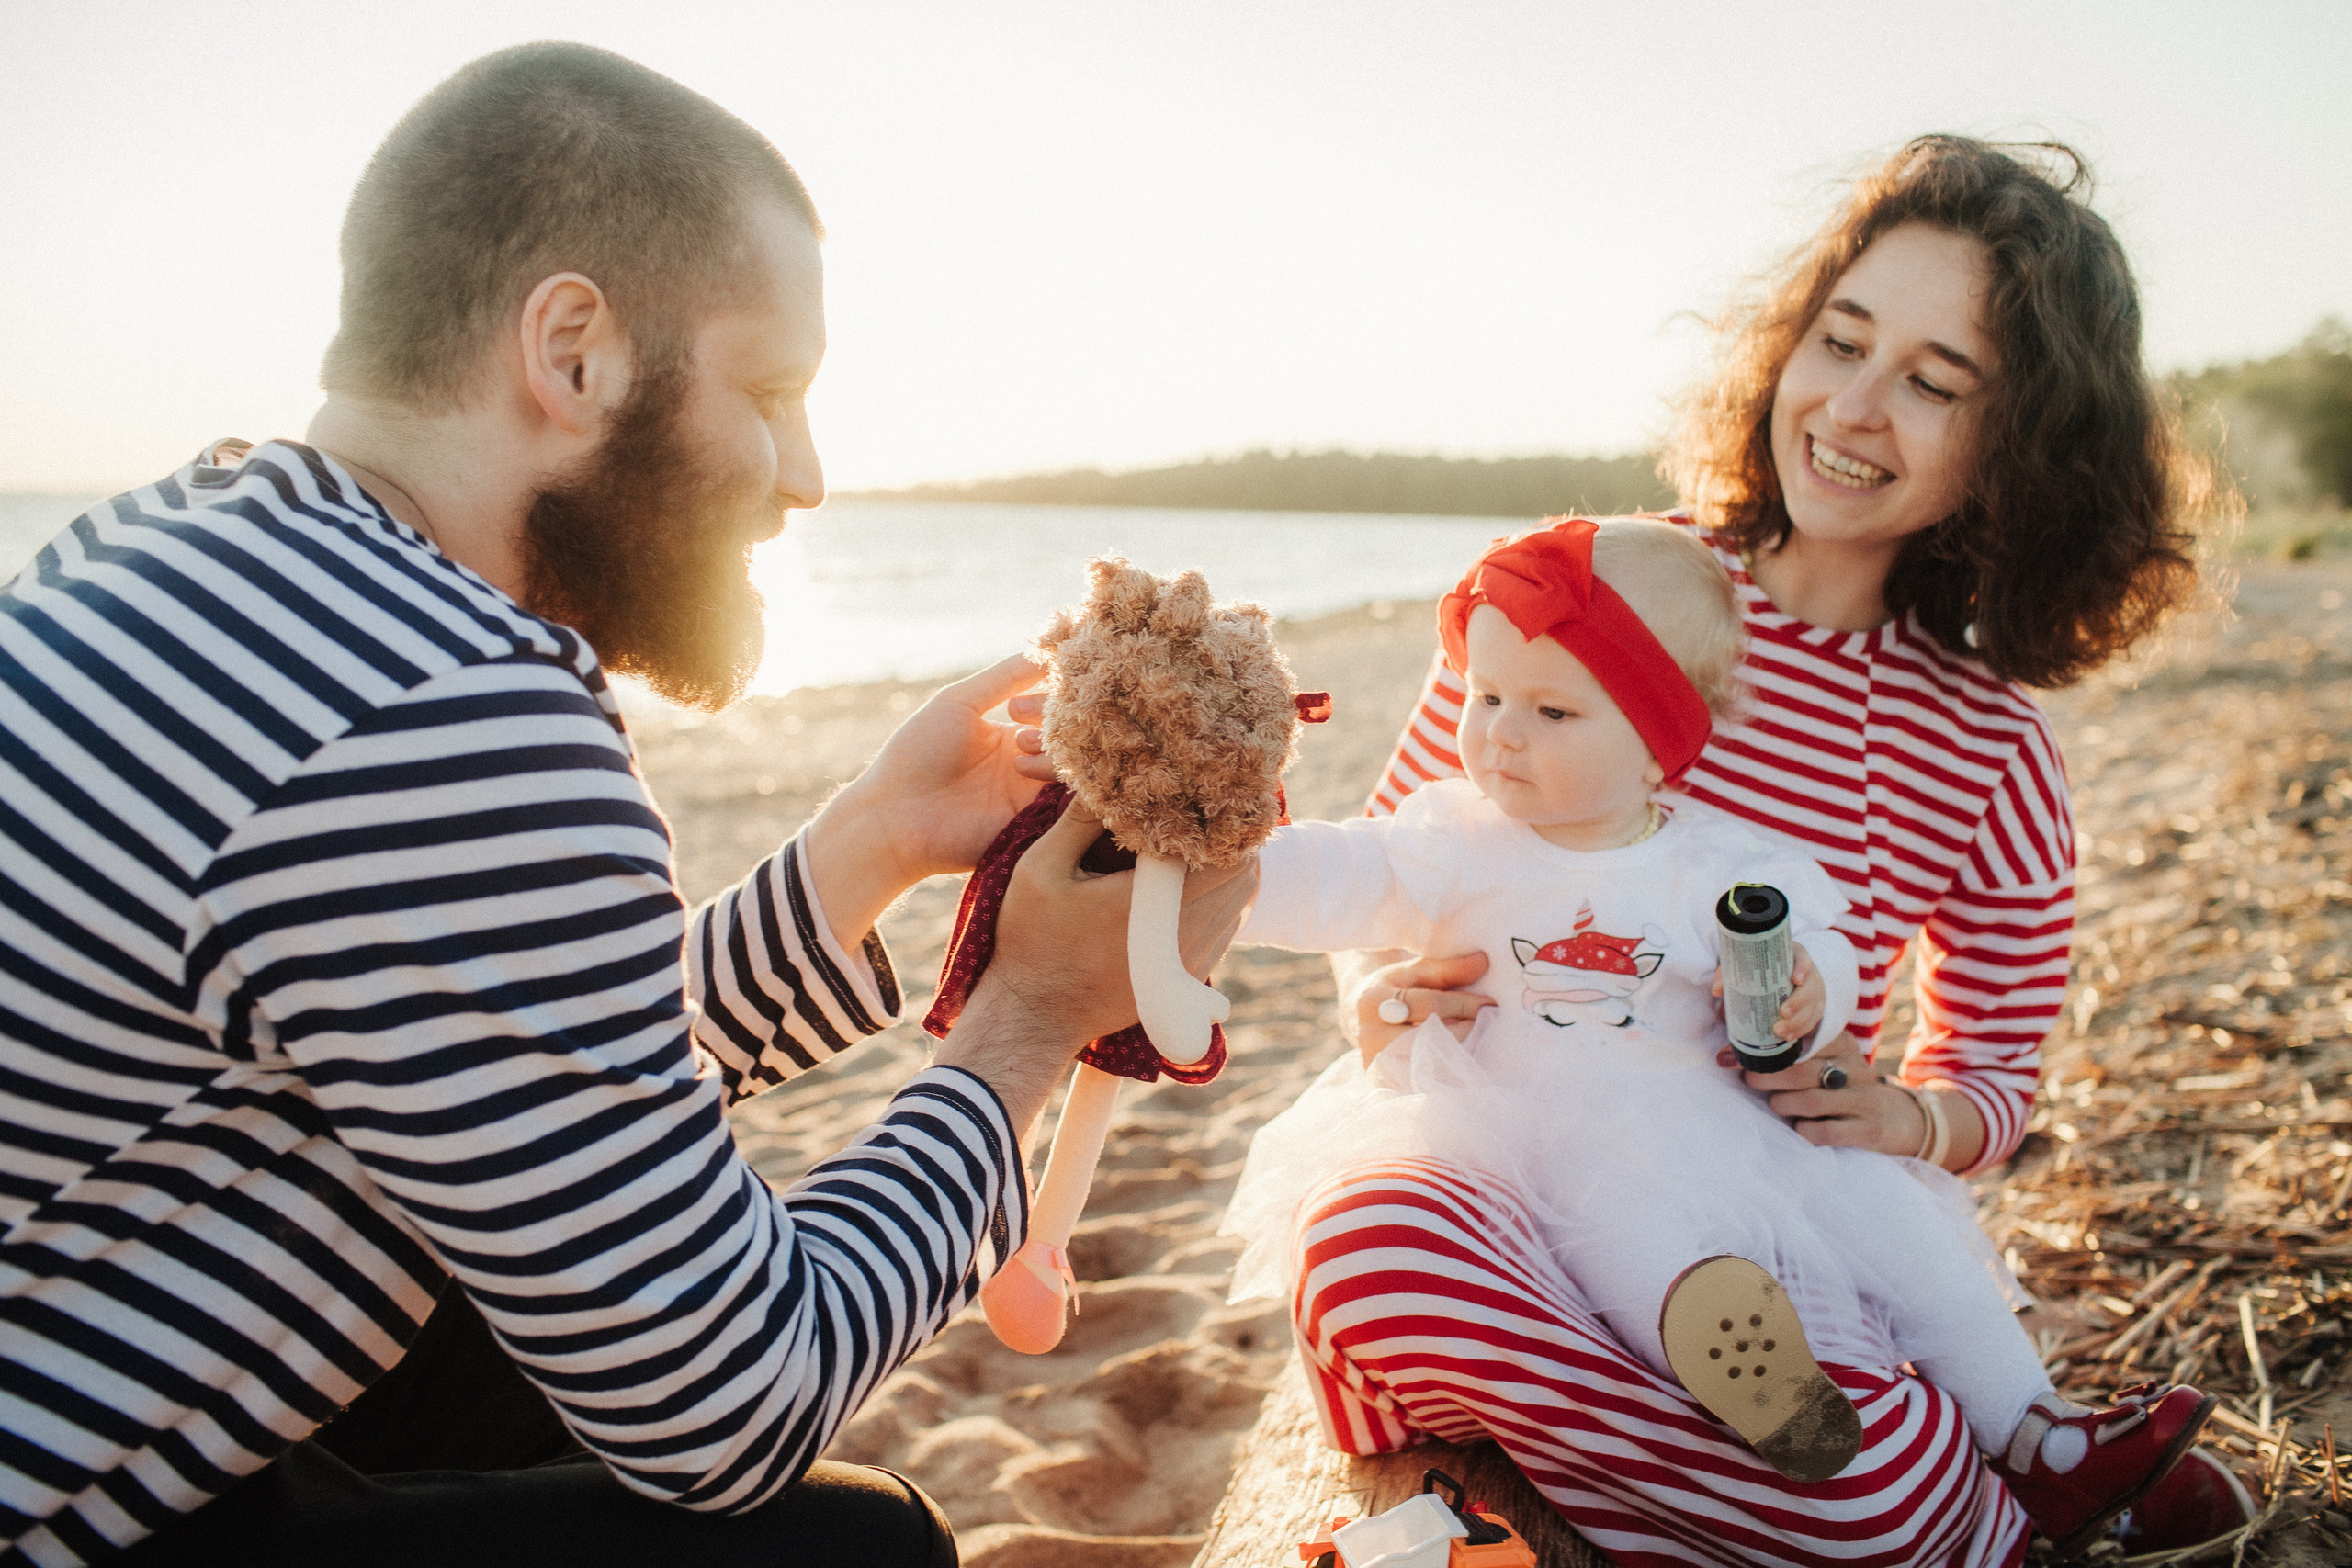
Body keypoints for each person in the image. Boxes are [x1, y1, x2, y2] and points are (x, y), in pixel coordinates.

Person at [0, 44, 1249, 1567]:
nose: (806, 474)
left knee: (554, 1313)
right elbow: (732, 1409)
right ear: (575, 350)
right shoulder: (448, 709)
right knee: (857, 1549)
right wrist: (1030, 1024)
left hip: (111, 1330)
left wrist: (875, 838)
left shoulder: (190, 546)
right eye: (773, 393)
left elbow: (533, 1076)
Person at [1295, 138, 2254, 1563]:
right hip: (1496, 1177)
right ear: (1787, 345)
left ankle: (1861, 1483)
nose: (1854, 408)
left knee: (1838, 1439)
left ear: (2025, 445)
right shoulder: (1595, 586)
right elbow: (1389, 874)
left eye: (1935, 382)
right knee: (1371, 1252)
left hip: (1748, 1229)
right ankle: (1894, 1501)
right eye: (1841, 340)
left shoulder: (1987, 744)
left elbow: (1990, 1077)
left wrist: (1903, 1118)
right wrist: (1378, 1007)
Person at [1221, 517, 2216, 1556]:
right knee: (1635, 1238)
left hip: (1728, 1133)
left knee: (1891, 1214)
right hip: (1541, 1145)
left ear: (1658, 740)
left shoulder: (1722, 863)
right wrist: (1223, 862)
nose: (1500, 734)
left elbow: (1816, 943)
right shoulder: (1452, 837)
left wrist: (1808, 994)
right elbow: (1332, 876)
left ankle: (2034, 1434)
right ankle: (1743, 1379)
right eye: (1486, 696)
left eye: (1552, 710)